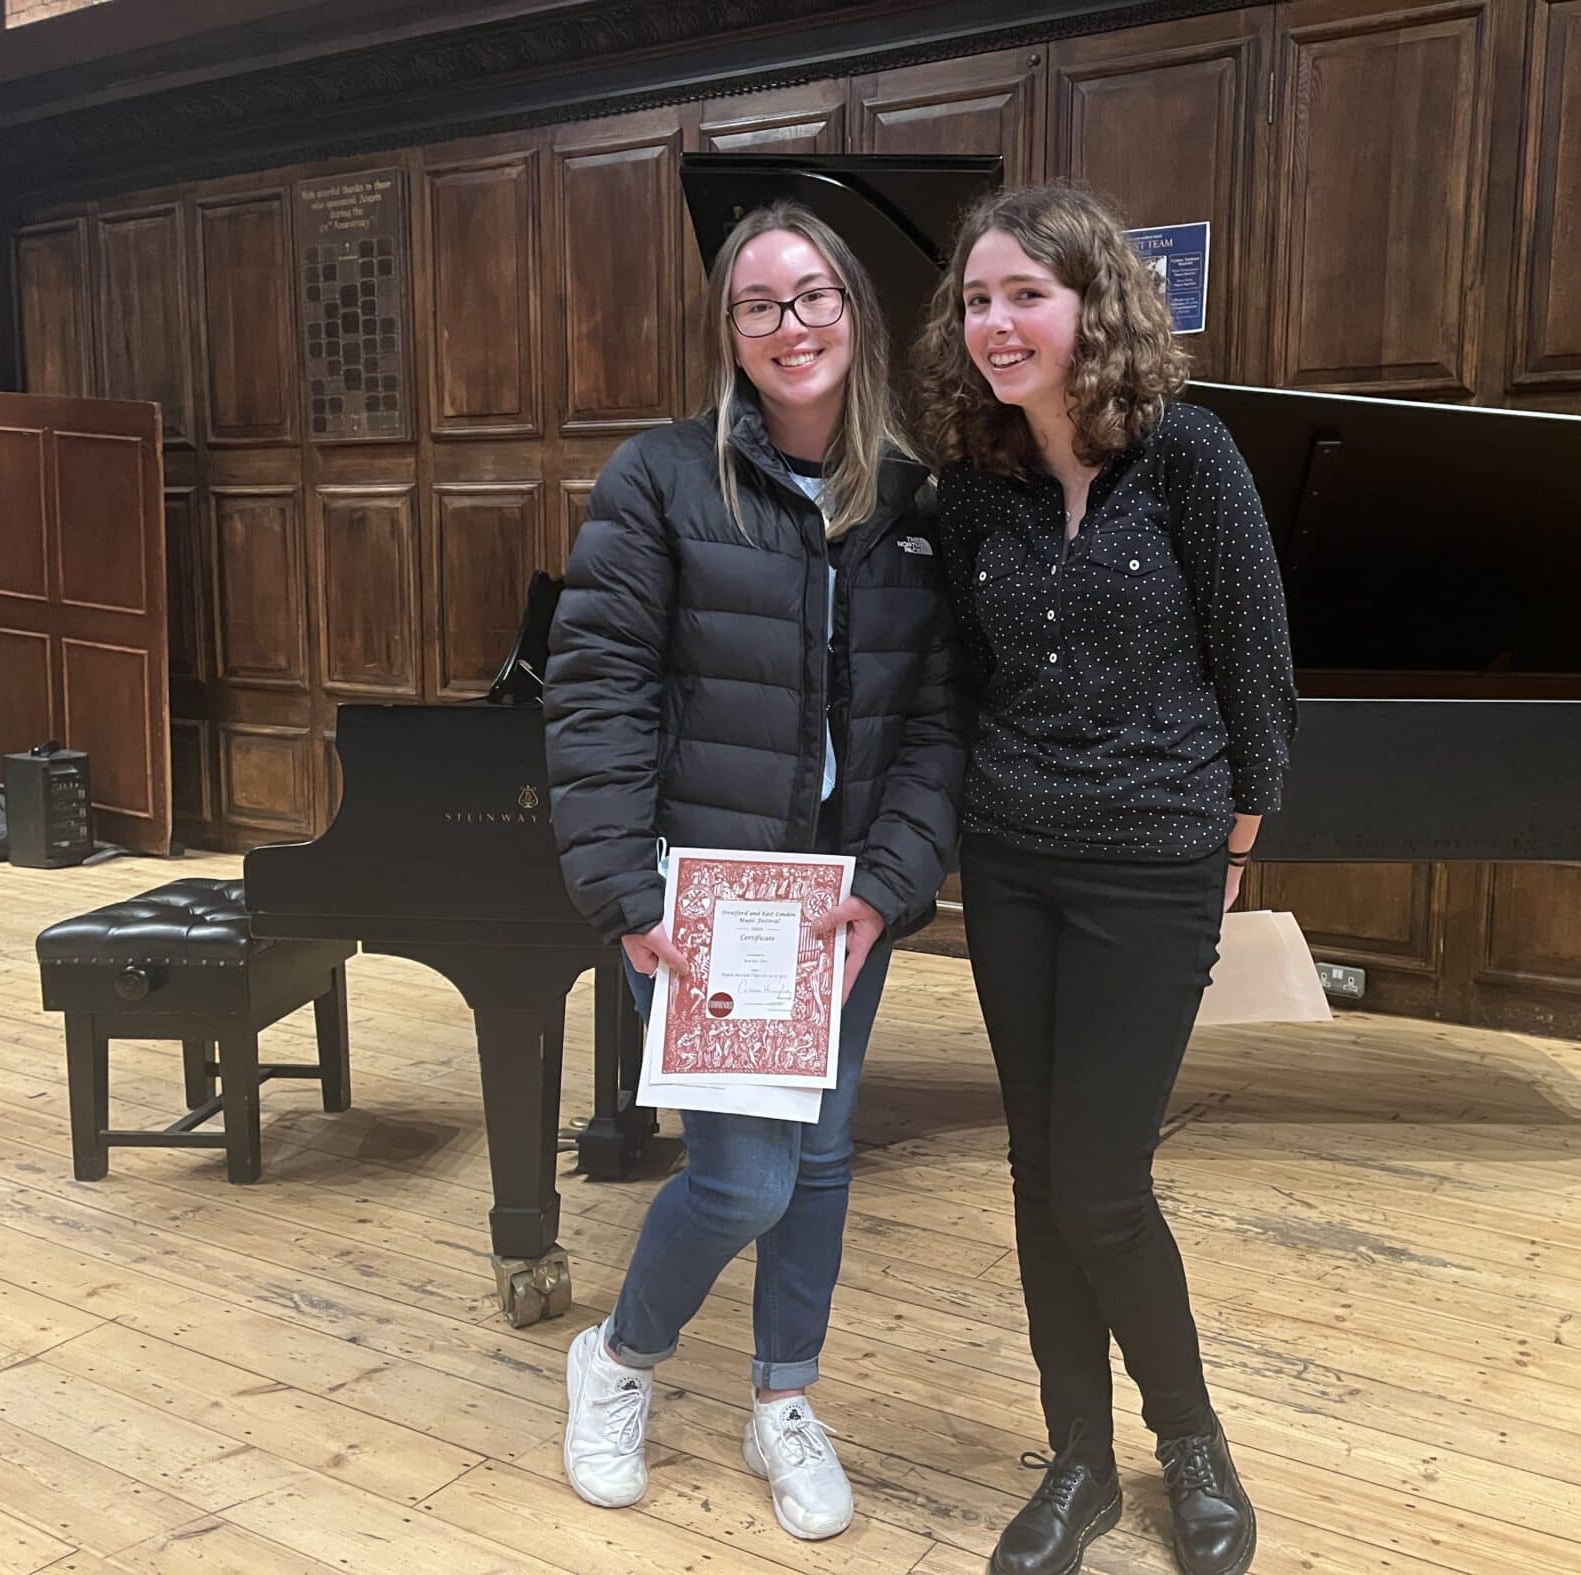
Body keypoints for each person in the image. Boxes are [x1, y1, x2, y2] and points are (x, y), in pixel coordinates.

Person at [542, 200, 963, 1542]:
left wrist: (891, 885)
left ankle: (783, 1399)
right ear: (728, 331)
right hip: (717, 895)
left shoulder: (912, 497)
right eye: (761, 304)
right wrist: (627, 891)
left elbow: (942, 719)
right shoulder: (661, 479)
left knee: (825, 1160)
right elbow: (596, 692)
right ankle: (616, 1357)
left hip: (843, 902)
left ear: (856, 314)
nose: (793, 325)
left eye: (816, 295)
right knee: (744, 1181)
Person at [915, 182, 1297, 1575]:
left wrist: (1236, 852)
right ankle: (1077, 1459)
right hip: (1013, 860)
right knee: (1036, 1171)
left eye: (1027, 293)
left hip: (1156, 859)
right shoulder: (972, 487)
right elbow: (959, 676)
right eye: (977, 299)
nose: (999, 323)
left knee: (1099, 1177)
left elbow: (1258, 667)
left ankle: (1190, 1439)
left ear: (1094, 306)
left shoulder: (1187, 455)